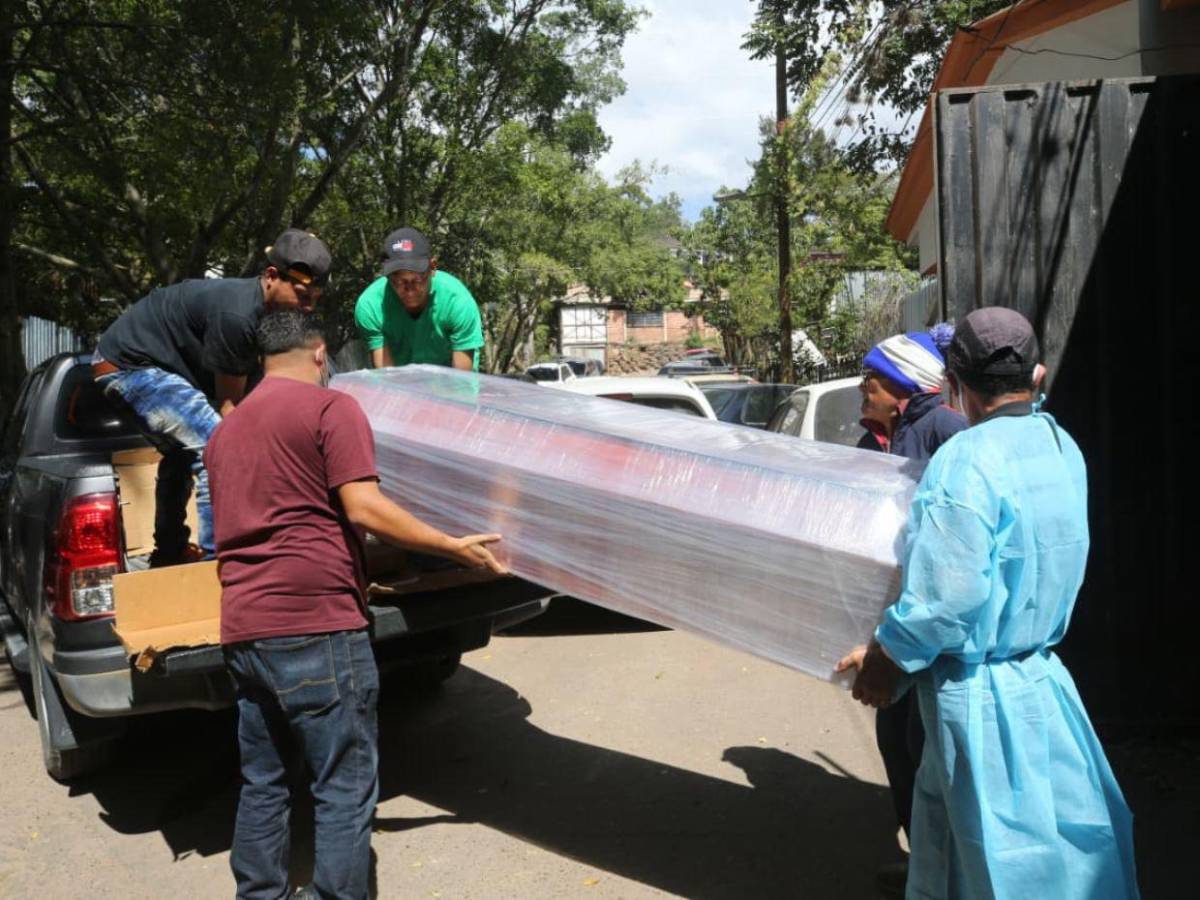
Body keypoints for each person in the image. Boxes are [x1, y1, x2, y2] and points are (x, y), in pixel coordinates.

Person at [836, 307, 1138, 900]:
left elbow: (947, 598)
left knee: (988, 854)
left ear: (956, 386)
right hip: (1043, 683)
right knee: (1060, 840)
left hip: (975, 697)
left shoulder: (965, 461)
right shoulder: (1060, 446)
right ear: (1039, 375)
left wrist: (885, 661)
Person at [206, 310, 506, 900]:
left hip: (243, 627)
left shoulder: (225, 432)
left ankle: (259, 894)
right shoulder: (330, 408)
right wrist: (450, 545)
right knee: (342, 784)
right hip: (316, 624)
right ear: (321, 355)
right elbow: (364, 509)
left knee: (263, 781)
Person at [92, 228, 331, 565]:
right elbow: (232, 409)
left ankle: (170, 552)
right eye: (303, 295)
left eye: (315, 298)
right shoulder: (237, 316)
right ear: (272, 276)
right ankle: (221, 564)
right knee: (217, 447)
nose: (308, 307)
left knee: (180, 454)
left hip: (144, 366)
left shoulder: (265, 314)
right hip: (130, 367)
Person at [854, 329, 967, 896]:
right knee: (896, 743)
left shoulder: (946, 430)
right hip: (893, 616)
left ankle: (945, 868)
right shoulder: (879, 437)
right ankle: (922, 852)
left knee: (927, 751)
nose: (862, 388)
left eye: (869, 379)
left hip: (930, 627)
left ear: (897, 386)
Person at [354, 227, 484, 371]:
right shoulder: (370, 306)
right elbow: (387, 378)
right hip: (401, 383)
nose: (409, 290)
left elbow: (462, 383)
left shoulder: (458, 302)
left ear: (432, 268)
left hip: (450, 381)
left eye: (417, 280)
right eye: (398, 281)